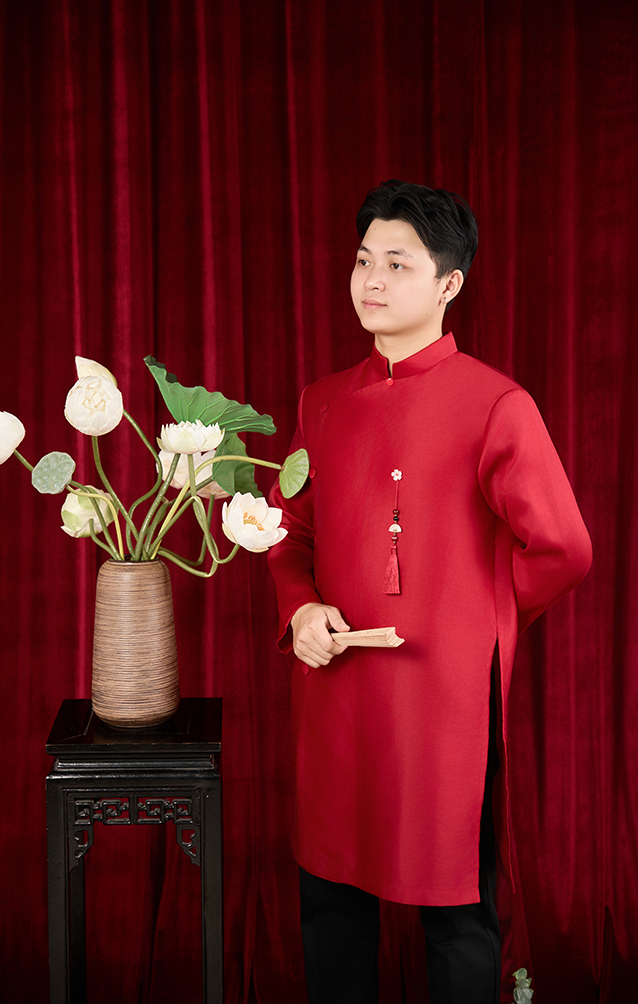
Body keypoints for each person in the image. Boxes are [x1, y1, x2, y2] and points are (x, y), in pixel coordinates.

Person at [267, 180, 592, 1004]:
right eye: (362, 261)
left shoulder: (496, 404)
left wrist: (476, 617)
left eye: (397, 264)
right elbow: (287, 532)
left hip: (443, 697)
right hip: (337, 686)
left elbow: (562, 547)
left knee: (454, 911)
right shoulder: (321, 402)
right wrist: (300, 608)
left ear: (449, 283)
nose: (371, 281)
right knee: (330, 901)